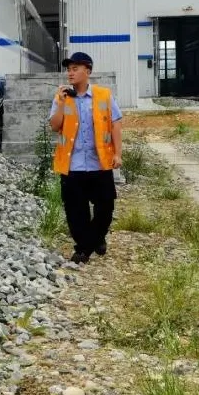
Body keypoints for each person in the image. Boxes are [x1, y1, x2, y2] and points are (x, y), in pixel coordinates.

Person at [48, 51, 123, 264]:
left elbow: (115, 124)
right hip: (72, 165)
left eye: (75, 69)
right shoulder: (62, 97)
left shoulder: (104, 95)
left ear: (87, 71)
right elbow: (55, 126)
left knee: (105, 208)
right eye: (68, 69)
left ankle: (96, 237)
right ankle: (83, 248)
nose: (70, 73)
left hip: (100, 163)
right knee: (75, 211)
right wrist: (61, 103)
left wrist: (118, 153)